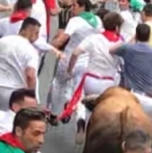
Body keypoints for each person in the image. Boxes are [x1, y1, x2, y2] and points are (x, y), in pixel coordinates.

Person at [62, 11, 123, 142]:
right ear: (117, 27)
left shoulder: (94, 38)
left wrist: (70, 68)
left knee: (80, 98)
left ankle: (81, 119)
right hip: (108, 83)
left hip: (90, 79)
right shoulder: (121, 43)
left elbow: (76, 52)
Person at [49, 0, 102, 140]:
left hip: (69, 57)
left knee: (58, 83)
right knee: (79, 92)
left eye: (74, 6)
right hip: (87, 61)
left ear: (82, 6)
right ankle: (80, 119)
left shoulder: (75, 21)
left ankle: (54, 114)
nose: (72, 9)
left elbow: (63, 39)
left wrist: (51, 45)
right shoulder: (97, 20)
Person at [112, 23, 152, 120]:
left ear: (136, 35)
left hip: (131, 96)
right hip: (150, 100)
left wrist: (131, 40)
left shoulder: (128, 49)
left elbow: (111, 50)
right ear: (149, 36)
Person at [0, 17, 40, 111]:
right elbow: (30, 75)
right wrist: (32, 97)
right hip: (13, 94)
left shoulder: (3, 41)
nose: (37, 37)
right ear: (28, 31)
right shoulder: (30, 50)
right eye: (36, 33)